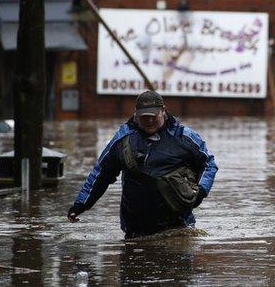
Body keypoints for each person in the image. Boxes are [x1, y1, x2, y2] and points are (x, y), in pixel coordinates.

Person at [67, 90, 218, 238]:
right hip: (135, 229)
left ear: (163, 111)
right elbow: (101, 174)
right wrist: (80, 205)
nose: (149, 121)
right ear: (136, 114)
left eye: (153, 116)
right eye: (144, 117)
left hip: (178, 226)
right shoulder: (123, 138)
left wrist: (202, 191)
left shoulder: (184, 137)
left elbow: (208, 164)